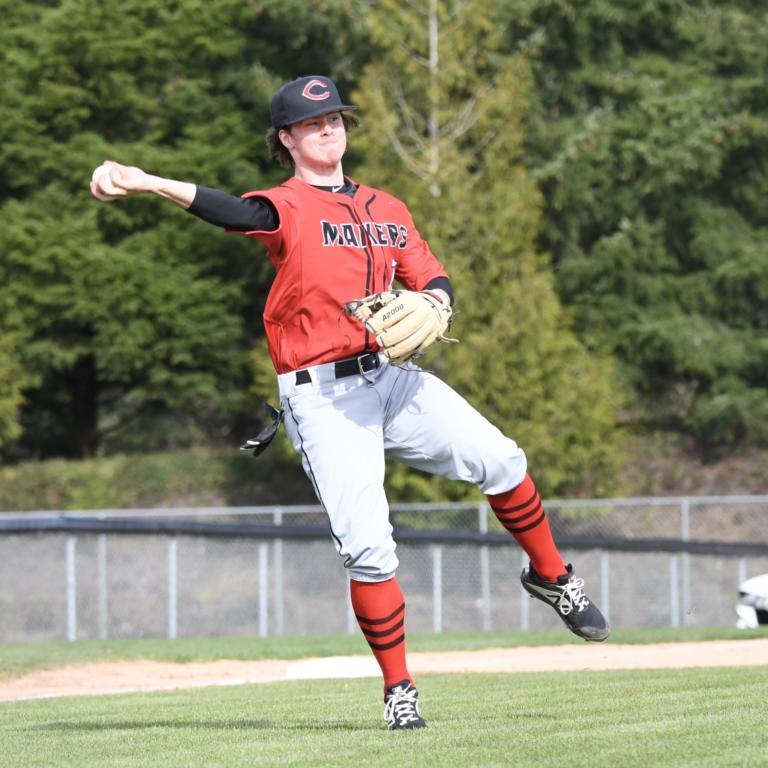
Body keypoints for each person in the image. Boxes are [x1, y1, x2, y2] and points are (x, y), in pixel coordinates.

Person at [90, 74, 610, 730]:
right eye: (311, 124)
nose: (328, 129)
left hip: (392, 378)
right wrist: (149, 181)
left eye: (334, 118)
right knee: (369, 549)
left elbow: (431, 273)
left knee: (502, 459)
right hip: (325, 399)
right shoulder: (287, 207)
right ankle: (399, 689)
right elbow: (236, 212)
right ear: (286, 139)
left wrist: (439, 301)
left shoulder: (388, 206)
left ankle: (553, 576)